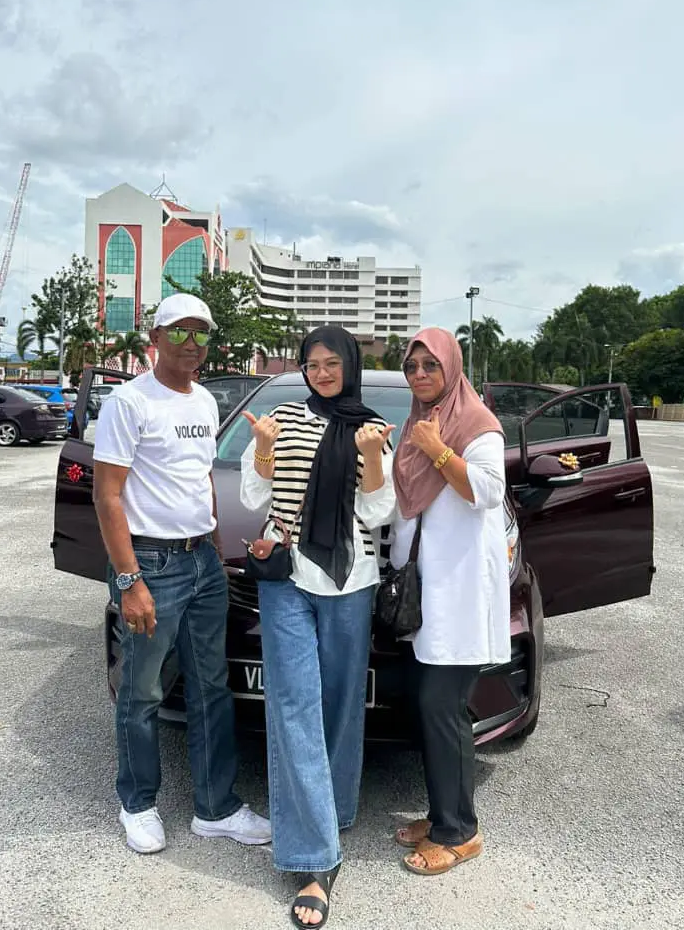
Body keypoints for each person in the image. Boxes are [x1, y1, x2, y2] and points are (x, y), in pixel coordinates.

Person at [92, 292, 270, 854]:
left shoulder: (205, 403)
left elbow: (199, 482)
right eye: (182, 332)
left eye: (202, 334)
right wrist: (129, 581)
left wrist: (215, 548)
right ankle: (137, 802)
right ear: (158, 337)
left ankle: (214, 808)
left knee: (212, 688)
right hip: (152, 563)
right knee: (143, 690)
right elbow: (107, 495)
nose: (193, 344)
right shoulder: (129, 402)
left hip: (202, 563)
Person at [240, 326, 396, 928]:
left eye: (332, 363)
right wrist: (261, 447)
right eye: (312, 363)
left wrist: (374, 459)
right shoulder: (283, 416)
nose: (322, 373)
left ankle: (335, 811)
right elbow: (257, 495)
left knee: (340, 709)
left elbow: (380, 513)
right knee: (294, 707)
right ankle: (314, 861)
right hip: (285, 577)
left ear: (349, 366)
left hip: (350, 582)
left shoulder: (371, 425)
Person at [390, 327, 509, 876]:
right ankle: (442, 815)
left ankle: (461, 833)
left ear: (451, 369)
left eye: (429, 367)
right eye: (412, 367)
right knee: (431, 708)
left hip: (460, 592)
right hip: (427, 593)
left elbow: (486, 491)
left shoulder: (475, 425)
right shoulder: (416, 423)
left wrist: (437, 450)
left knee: (444, 709)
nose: (419, 375)